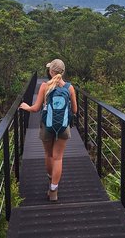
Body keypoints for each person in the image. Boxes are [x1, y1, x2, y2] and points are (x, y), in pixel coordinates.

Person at [19, 59, 77, 201]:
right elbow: (74, 110)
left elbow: (36, 108)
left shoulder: (44, 86)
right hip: (63, 127)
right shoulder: (69, 88)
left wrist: (26, 107)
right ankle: (54, 190)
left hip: (47, 126)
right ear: (62, 72)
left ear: (51, 71)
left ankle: (50, 180)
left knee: (48, 154)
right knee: (58, 158)